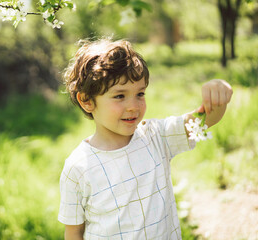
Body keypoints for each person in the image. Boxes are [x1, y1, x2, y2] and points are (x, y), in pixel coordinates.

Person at [58, 38, 233, 240]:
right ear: (87, 101)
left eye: (140, 94)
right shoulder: (77, 167)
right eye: (119, 96)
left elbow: (203, 121)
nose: (133, 106)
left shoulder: (157, 137)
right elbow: (73, 233)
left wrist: (218, 91)